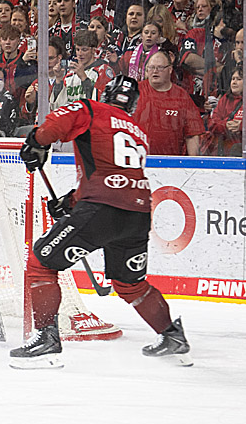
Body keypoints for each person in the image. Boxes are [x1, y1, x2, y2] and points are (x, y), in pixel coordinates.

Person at [11, 75, 192, 368]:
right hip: (137, 214)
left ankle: (46, 338)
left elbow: (53, 126)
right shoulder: (138, 132)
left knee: (41, 263)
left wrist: (36, 142)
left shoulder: (90, 108)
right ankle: (172, 336)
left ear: (105, 94)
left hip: (101, 208)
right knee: (130, 284)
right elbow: (114, 176)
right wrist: (70, 203)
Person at [133, 49, 204, 156]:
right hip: (137, 160)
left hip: (170, 162)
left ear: (170, 69)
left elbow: (192, 134)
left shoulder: (182, 96)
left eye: (160, 67)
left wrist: (193, 163)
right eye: (151, 67)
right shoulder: (134, 91)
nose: (155, 71)